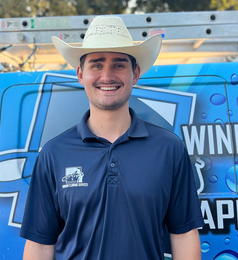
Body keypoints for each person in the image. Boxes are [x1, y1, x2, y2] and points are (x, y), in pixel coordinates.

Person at [20, 16, 204, 260]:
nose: (107, 76)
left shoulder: (169, 148)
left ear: (135, 74)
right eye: (96, 64)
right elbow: (40, 245)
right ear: (80, 74)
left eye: (118, 65)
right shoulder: (54, 153)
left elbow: (183, 234)